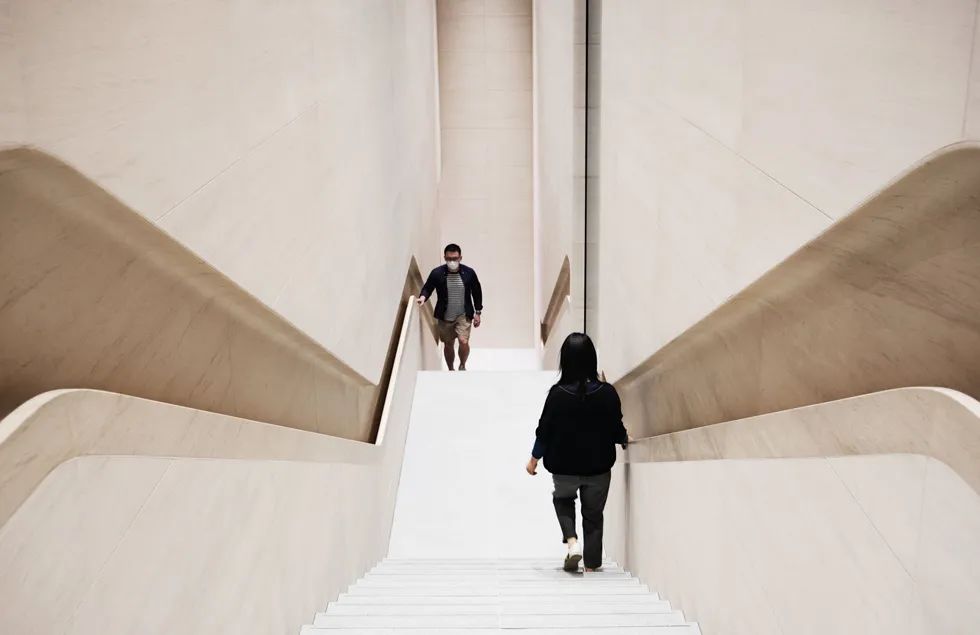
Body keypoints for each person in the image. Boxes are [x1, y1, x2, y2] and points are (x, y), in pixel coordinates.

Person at [526, 333, 629, 573]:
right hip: (598, 469)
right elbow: (617, 429)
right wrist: (624, 439)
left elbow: (544, 431)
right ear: (592, 359)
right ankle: (592, 566)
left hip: (564, 468)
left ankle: (572, 542)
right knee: (593, 516)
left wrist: (533, 460)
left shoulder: (557, 394)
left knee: (563, 500)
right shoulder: (607, 393)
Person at [418, 243, 483, 371]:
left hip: (463, 314)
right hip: (445, 315)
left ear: (460, 258)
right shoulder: (437, 273)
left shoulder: (469, 273)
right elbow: (428, 287)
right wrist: (423, 297)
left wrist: (478, 312)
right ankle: (450, 369)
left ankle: (462, 364)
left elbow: (477, 292)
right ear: (444, 258)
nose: (452, 261)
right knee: (448, 344)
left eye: (455, 258)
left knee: (463, 341)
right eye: (449, 259)